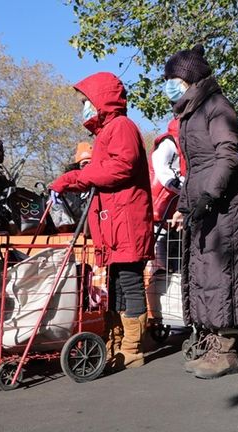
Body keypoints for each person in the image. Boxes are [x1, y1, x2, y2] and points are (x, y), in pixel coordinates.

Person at [49, 72, 154, 372]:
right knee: (116, 283)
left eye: (86, 101)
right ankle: (115, 340)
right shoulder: (106, 132)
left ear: (100, 100)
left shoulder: (121, 127)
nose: (84, 107)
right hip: (115, 221)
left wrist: (73, 178)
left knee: (130, 282)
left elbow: (121, 167)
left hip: (126, 220)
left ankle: (132, 348)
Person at [165, 44, 238, 379]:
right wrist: (185, 207)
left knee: (221, 273)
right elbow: (194, 167)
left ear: (188, 79)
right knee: (203, 273)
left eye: (173, 78)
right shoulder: (191, 113)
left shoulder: (216, 106)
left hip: (223, 203)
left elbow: (227, 154)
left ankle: (226, 350)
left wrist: (210, 196)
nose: (169, 85)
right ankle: (212, 339)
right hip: (204, 201)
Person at [149, 119, 184, 272]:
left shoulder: (185, 145)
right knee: (160, 265)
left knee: (175, 260)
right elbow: (161, 166)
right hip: (160, 209)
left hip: (173, 210)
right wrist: (180, 186)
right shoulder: (169, 143)